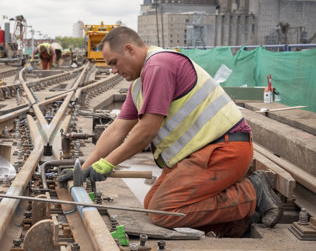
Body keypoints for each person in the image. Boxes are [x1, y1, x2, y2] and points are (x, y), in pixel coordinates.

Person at [57, 26, 282, 237]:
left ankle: (253, 191)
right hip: (203, 154)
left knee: (163, 210)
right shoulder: (139, 85)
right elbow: (117, 128)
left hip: (225, 149)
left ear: (129, 49)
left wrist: (108, 164)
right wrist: (84, 168)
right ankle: (240, 224)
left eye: (114, 62)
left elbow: (147, 130)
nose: (114, 71)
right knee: (153, 202)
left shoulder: (159, 65)